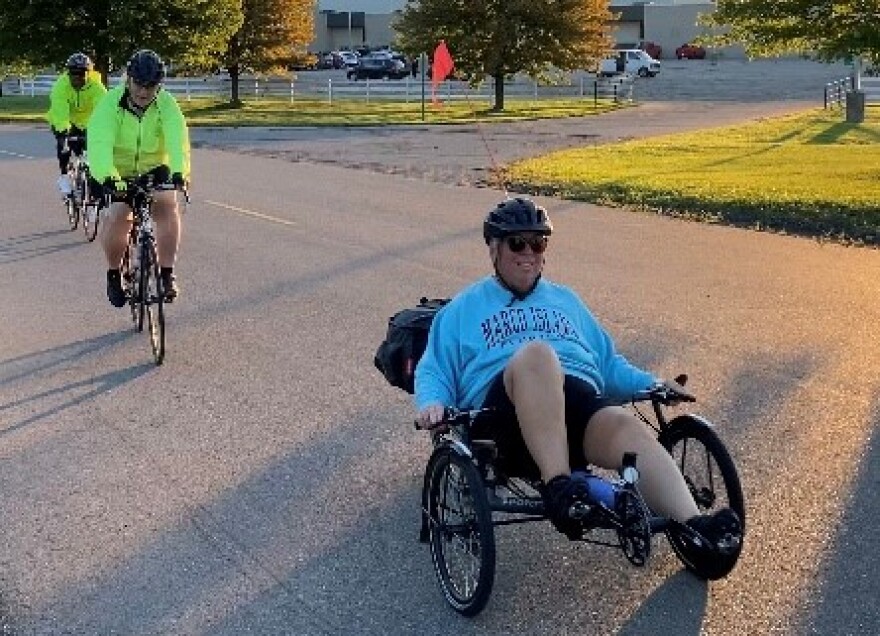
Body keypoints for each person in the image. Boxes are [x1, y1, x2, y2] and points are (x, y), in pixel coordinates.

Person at [415, 197, 742, 560]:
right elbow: (434, 368)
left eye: (537, 243)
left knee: (624, 424)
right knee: (537, 355)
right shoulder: (463, 308)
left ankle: (697, 528)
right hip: (506, 418)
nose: (529, 252)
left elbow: (608, 365)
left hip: (575, 406)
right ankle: (561, 488)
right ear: (493, 248)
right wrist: (432, 404)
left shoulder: (566, 300)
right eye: (517, 243)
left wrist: (654, 384)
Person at [87, 49, 190, 307]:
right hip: (117, 171)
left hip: (154, 168)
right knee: (118, 214)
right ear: (128, 79)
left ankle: (166, 274)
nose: (144, 92)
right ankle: (113, 273)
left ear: (159, 85)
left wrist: (180, 172)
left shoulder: (166, 104)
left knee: (167, 205)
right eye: (139, 84)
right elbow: (99, 143)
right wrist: (108, 176)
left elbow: (177, 140)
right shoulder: (110, 104)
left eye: (151, 86)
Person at [45, 52, 107, 197]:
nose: (78, 77)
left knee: (93, 152)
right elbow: (60, 113)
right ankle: (64, 177)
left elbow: (103, 113)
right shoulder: (61, 87)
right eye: (73, 73)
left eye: (82, 73)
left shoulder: (97, 87)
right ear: (68, 73)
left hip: (88, 122)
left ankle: (93, 189)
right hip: (67, 121)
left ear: (89, 73)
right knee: (64, 146)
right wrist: (63, 132)